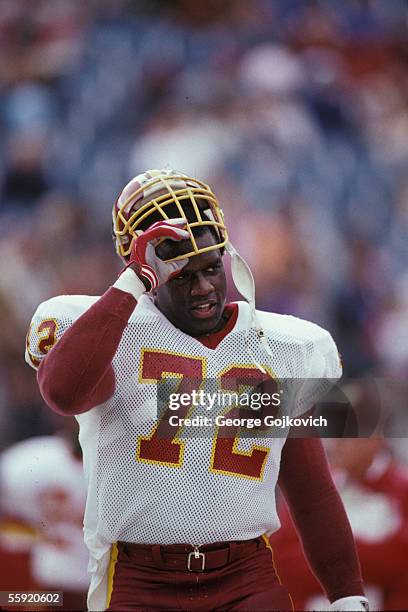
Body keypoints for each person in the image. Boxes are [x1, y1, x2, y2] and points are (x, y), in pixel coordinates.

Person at [25, 169, 369, 611]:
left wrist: (346, 594)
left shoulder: (283, 346)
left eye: (211, 268)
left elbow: (311, 489)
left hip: (245, 574)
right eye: (182, 276)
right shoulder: (113, 332)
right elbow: (64, 392)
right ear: (146, 274)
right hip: (139, 578)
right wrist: (131, 284)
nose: (204, 287)